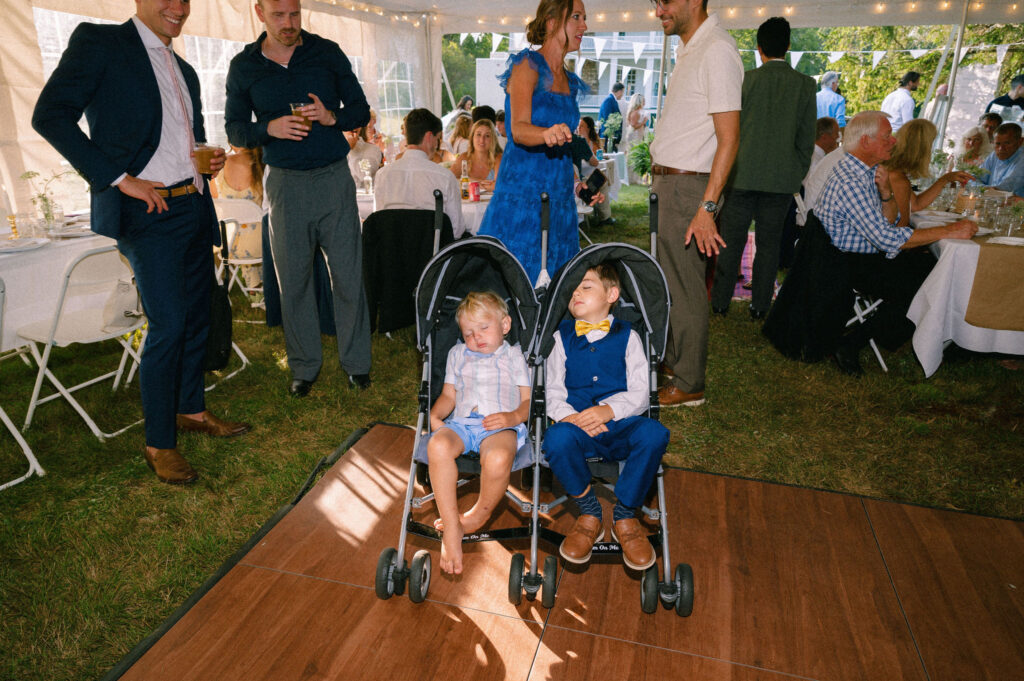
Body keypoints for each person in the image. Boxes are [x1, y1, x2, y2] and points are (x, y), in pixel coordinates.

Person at [32, 0, 251, 485]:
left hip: (192, 204)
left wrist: (204, 163)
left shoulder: (186, 69)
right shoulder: (101, 44)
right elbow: (49, 116)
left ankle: (191, 410)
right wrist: (117, 177)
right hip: (147, 212)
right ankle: (158, 442)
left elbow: (179, 139)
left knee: (197, 315)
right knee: (169, 323)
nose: (178, 8)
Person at [225, 0, 373, 398]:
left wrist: (332, 117)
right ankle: (304, 367)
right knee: (294, 280)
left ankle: (357, 364)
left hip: (333, 179)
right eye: (279, 16)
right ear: (259, 12)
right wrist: (268, 127)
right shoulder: (245, 66)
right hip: (285, 185)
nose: (289, 24)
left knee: (348, 273)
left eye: (294, 14)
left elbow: (360, 108)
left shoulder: (326, 52)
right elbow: (235, 130)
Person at [815, 112, 978, 377]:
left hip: (859, 255)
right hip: (849, 263)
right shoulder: (851, 181)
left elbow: (889, 222)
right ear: (866, 141)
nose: (893, 141)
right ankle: (852, 342)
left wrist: (887, 194)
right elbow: (889, 237)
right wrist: (950, 230)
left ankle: (948, 337)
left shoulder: (865, 171)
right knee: (930, 282)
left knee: (934, 269)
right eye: (887, 137)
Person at [542, 264, 669, 570]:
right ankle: (589, 512)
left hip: (621, 424)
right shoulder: (561, 338)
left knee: (655, 434)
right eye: (572, 288)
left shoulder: (629, 336)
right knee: (554, 439)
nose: (576, 292)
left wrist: (609, 411)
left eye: (586, 286)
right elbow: (552, 390)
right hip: (578, 429)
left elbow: (641, 391)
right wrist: (573, 418)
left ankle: (625, 515)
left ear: (611, 294)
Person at [650, 0, 743, 408]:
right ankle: (675, 362)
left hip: (690, 188)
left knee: (686, 285)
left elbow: (730, 138)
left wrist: (707, 209)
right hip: (672, 184)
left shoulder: (717, 49)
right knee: (668, 280)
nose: (658, 11)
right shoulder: (691, 47)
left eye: (665, 2)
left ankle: (690, 383)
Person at [477, 0, 598, 284]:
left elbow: (564, 147)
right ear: (552, 22)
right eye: (577, 17)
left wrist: (578, 186)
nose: (584, 26)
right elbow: (517, 129)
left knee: (558, 280)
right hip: (522, 195)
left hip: (559, 198)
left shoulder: (570, 81)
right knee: (517, 279)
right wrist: (546, 133)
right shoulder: (527, 66)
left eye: (585, 18)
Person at [710, 16, 815, 321]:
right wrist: (794, 174)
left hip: (741, 176)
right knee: (768, 246)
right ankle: (760, 307)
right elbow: (806, 140)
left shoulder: (745, 81)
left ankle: (719, 302)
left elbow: (729, 131)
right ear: (789, 45)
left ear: (758, 48)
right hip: (781, 180)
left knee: (731, 242)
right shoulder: (805, 85)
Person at [427, 291, 531, 575]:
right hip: (462, 423)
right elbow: (449, 394)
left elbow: (527, 401)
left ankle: (476, 516)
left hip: (499, 424)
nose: (477, 337)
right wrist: (436, 416)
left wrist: (512, 416)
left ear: (505, 325)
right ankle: (451, 527)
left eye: (484, 328)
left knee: (497, 458)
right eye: (469, 332)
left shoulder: (513, 356)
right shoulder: (457, 354)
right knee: (437, 445)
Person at [374, 108, 465, 237]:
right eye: (437, 138)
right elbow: (456, 230)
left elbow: (380, 222)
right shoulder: (445, 177)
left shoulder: (382, 176)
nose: (437, 144)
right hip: (434, 254)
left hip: (393, 253)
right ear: (429, 137)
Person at [883, 119, 973, 227]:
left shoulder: (892, 169)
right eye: (931, 144)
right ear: (922, 149)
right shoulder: (897, 178)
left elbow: (916, 205)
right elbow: (901, 233)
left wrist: (945, 179)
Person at [450, 119, 503, 191]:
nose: (482, 140)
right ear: (472, 137)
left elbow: (499, 186)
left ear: (492, 139)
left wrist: (467, 181)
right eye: (478, 134)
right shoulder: (464, 158)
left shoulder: (498, 158)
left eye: (487, 136)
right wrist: (479, 182)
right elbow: (449, 179)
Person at [978, 122, 1024, 197]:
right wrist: (983, 188)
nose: (1001, 148)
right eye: (997, 144)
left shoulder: (1022, 159)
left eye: (1007, 143)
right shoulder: (994, 155)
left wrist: (981, 188)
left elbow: (1004, 188)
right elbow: (974, 177)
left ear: (1020, 142)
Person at [622, 93, 650, 184]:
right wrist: (643, 122)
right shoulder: (635, 112)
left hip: (638, 135)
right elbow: (633, 125)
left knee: (635, 156)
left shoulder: (638, 111)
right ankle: (631, 179)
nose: (644, 102)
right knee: (633, 156)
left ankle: (635, 178)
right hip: (634, 136)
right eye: (643, 100)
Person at [599, 82, 625, 149]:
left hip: (611, 137)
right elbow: (607, 119)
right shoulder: (609, 100)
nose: (622, 95)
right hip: (608, 137)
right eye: (623, 92)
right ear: (619, 91)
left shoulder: (612, 100)